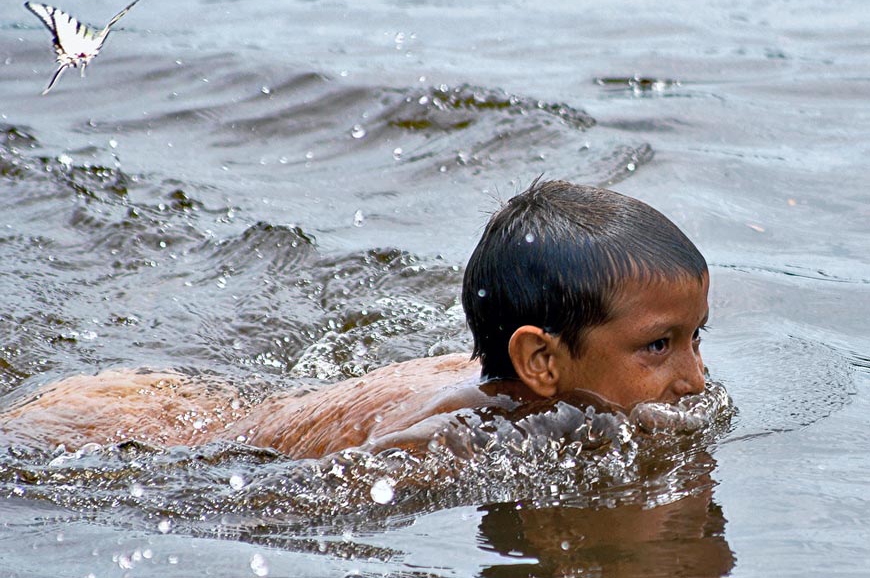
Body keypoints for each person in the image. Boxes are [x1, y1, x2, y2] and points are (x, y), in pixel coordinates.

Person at [0, 180, 710, 459]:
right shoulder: (445, 443)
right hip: (125, 423)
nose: (696, 379)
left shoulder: (536, 386)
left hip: (223, 401)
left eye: (695, 339)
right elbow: (283, 499)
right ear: (540, 362)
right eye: (659, 346)